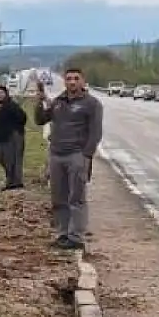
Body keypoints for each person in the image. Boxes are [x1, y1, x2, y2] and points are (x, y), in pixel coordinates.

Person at [33, 68, 103, 250]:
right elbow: (40, 120)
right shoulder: (58, 102)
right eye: (69, 79)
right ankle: (62, 233)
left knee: (76, 198)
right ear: (64, 81)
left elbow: (95, 133)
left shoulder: (91, 104)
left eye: (76, 79)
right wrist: (39, 101)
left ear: (82, 81)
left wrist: (86, 155)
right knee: (58, 198)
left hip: (77, 155)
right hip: (56, 154)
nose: (72, 82)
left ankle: (76, 236)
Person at [0, 86, 28, 190]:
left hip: (13, 136)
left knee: (13, 160)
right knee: (2, 158)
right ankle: (11, 180)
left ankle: (15, 183)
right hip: (1, 137)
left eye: (1, 93)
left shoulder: (11, 105)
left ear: (6, 94)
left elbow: (23, 117)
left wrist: (14, 129)